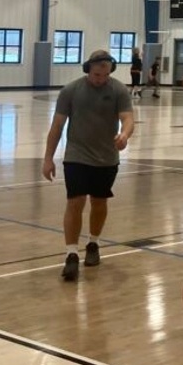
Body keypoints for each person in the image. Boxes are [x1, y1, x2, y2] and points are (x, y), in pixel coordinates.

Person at [42, 50, 135, 281]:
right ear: (87, 70)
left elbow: (128, 118)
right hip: (76, 155)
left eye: (104, 75)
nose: (100, 79)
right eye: (96, 75)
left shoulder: (119, 90)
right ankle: (71, 254)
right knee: (75, 201)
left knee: (99, 202)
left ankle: (93, 243)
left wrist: (124, 135)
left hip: (106, 158)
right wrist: (47, 158)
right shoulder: (71, 91)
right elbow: (57, 126)